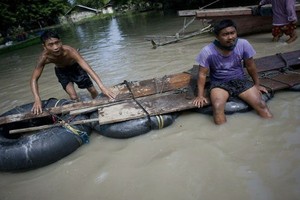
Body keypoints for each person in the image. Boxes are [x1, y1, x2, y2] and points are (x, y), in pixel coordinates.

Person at [192, 19, 273, 125]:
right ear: (217, 37)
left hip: (240, 80)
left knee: (261, 104)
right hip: (219, 83)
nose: (230, 37)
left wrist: (257, 85)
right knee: (217, 108)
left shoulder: (243, 44)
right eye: (225, 34)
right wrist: (200, 96)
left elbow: (250, 66)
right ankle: (223, 136)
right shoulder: (207, 51)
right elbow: (202, 74)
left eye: (232, 33)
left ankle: (270, 126)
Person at [30, 30, 116, 115]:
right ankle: (82, 113)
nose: (56, 47)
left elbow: (88, 68)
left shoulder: (69, 51)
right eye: (50, 45)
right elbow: (34, 79)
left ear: (61, 42)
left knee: (92, 90)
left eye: (57, 43)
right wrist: (37, 99)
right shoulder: (44, 58)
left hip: (76, 68)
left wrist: (102, 86)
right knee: (73, 97)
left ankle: (100, 106)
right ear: (44, 47)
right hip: (61, 71)